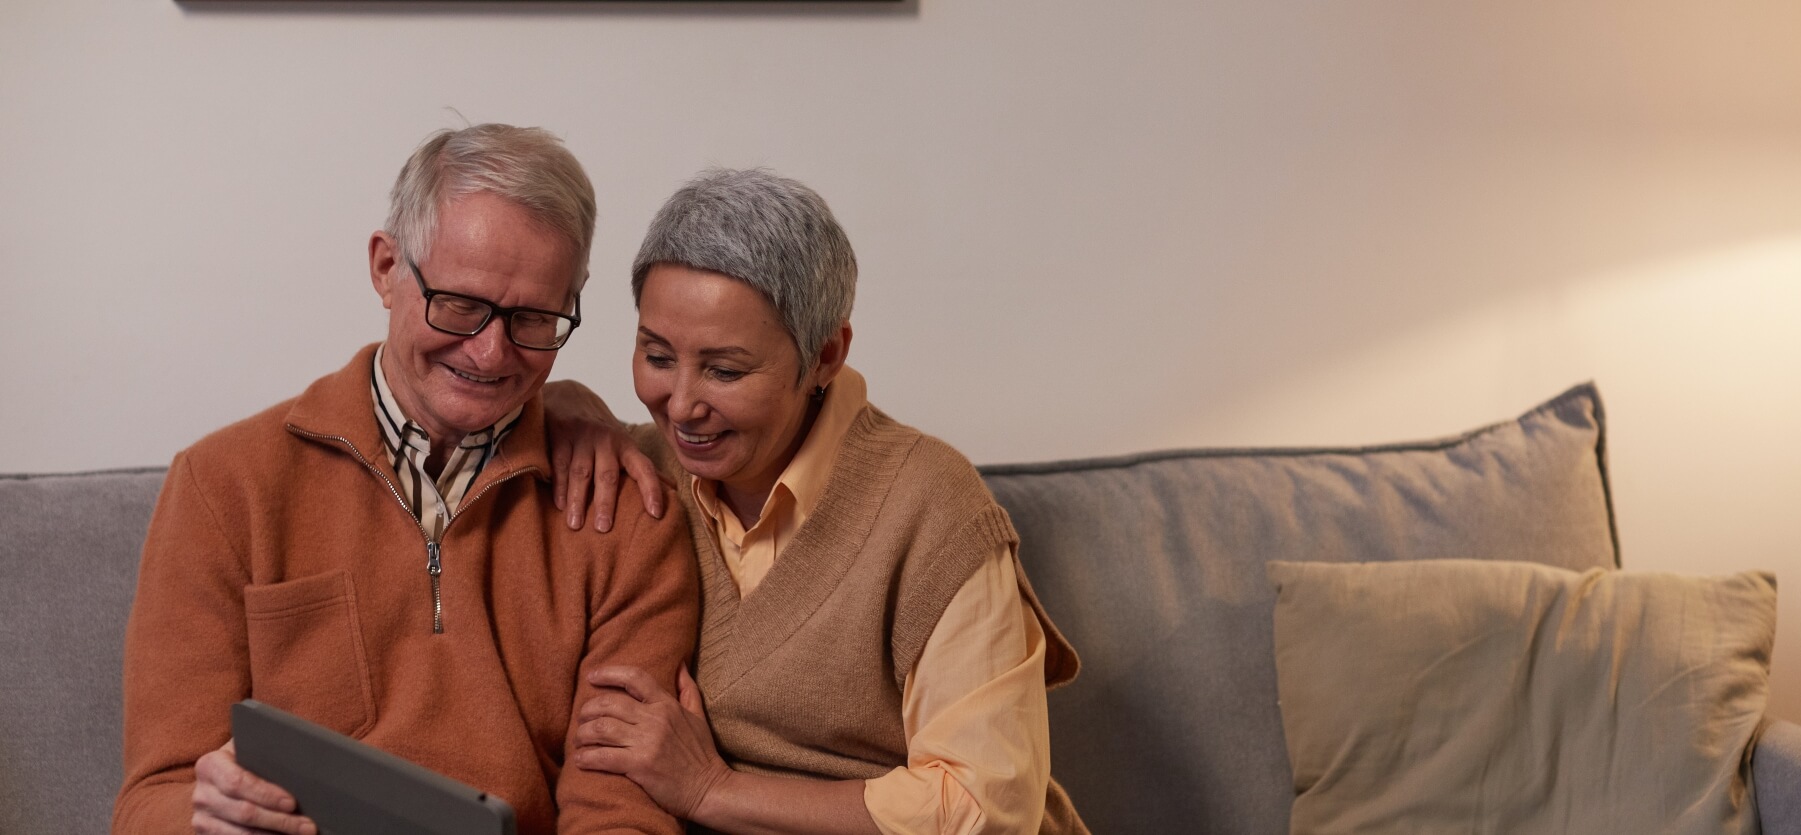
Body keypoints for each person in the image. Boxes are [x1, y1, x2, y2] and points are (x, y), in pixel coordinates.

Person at [112, 124, 697, 835]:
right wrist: (204, 816)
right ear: (387, 268)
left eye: (533, 318)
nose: (489, 352)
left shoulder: (627, 513)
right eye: (459, 303)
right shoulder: (222, 485)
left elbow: (621, 813)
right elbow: (153, 796)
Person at [544, 168, 1089, 834]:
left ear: (826, 354)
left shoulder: (931, 504)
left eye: (725, 370)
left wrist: (713, 788)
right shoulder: (633, 474)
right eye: (657, 355)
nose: (681, 405)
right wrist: (554, 404)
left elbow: (986, 807)